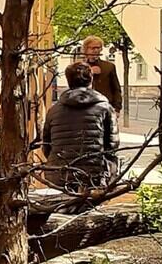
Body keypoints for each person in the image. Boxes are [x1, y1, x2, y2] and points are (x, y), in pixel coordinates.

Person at [42, 60, 119, 193]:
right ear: (91, 79)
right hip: (95, 174)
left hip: (59, 173)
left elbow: (46, 145)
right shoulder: (105, 107)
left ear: (68, 81)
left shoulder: (54, 110)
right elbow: (112, 145)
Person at [80, 36, 123, 116]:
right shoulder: (79, 67)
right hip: (85, 109)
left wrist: (117, 108)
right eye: (93, 48)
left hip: (105, 108)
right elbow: (74, 87)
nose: (96, 50)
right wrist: (89, 72)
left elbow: (116, 89)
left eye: (98, 48)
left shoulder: (109, 66)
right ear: (86, 49)